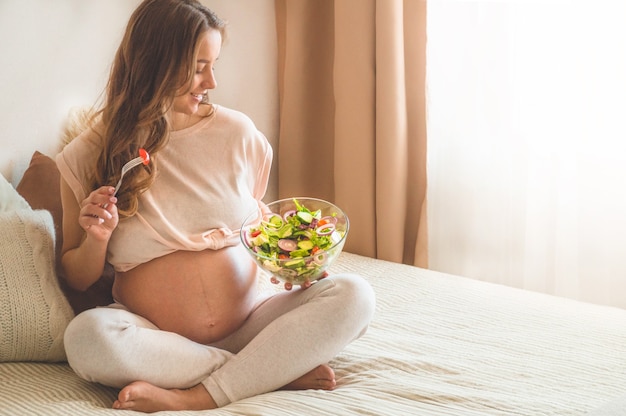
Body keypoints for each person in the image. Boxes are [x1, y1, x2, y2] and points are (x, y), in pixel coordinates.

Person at [56, 0, 375, 412]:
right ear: (155, 62)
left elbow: (257, 221)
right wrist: (97, 237)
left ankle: (194, 395)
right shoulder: (89, 153)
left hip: (249, 326)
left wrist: (291, 263)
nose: (212, 81)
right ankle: (265, 371)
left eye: (214, 63)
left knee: (355, 295)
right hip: (159, 339)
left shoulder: (239, 134)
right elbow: (76, 277)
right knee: (86, 338)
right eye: (198, 67)